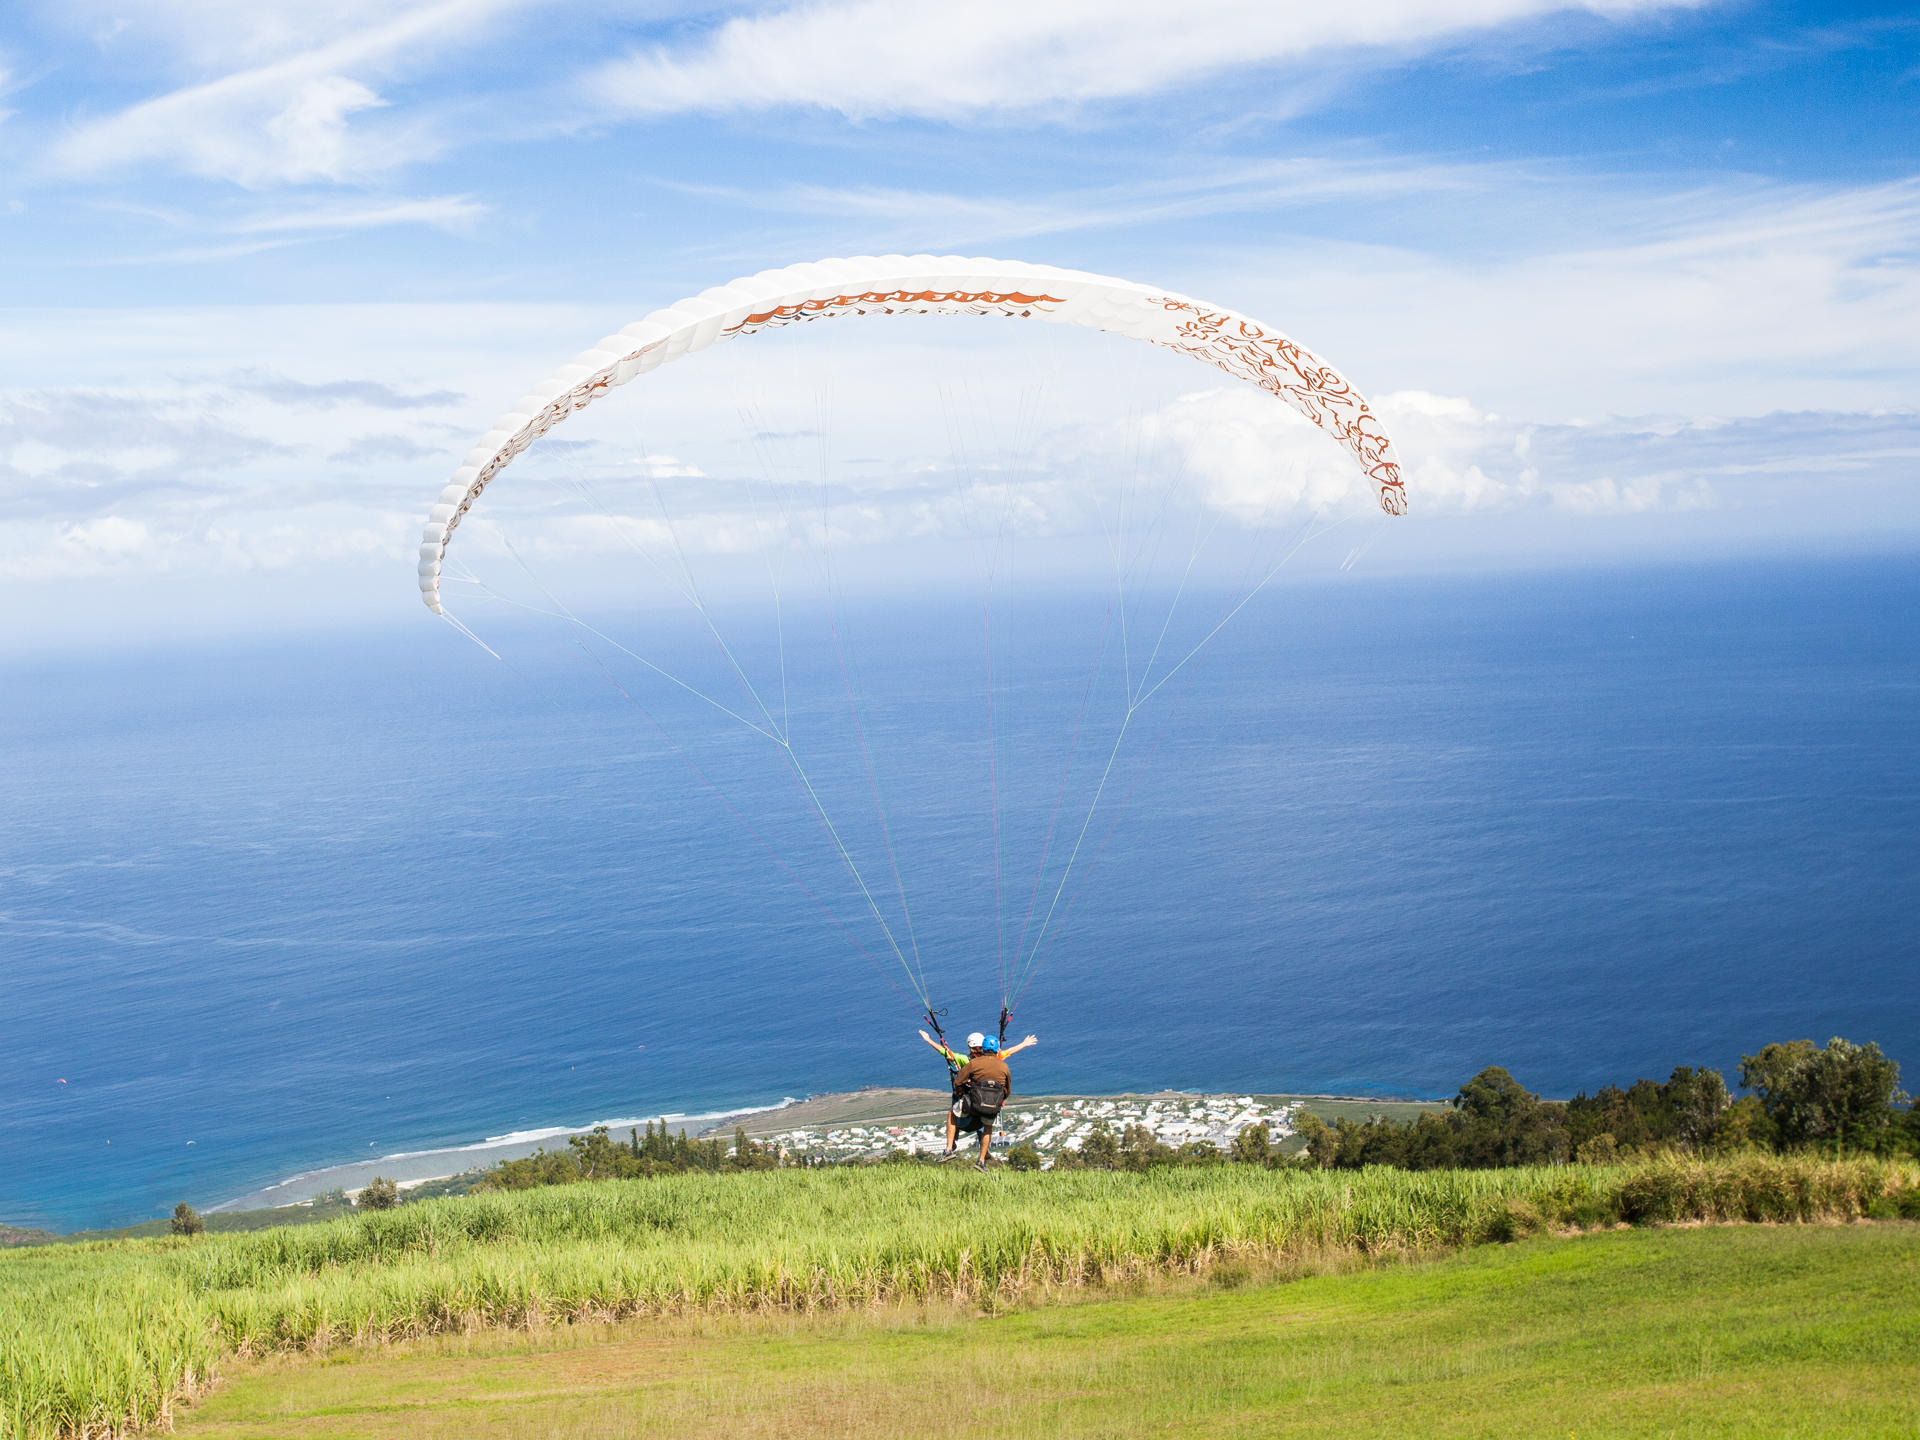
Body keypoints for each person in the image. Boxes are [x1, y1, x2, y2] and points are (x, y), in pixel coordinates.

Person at [915, 1029, 1037, 1169]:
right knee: (986, 1123)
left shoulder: (968, 1062)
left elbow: (948, 1055)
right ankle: (982, 1157)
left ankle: (950, 1147)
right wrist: (1024, 1044)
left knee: (954, 1113)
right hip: (991, 1104)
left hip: (972, 1101)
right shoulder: (999, 1061)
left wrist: (928, 1040)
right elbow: (1008, 1053)